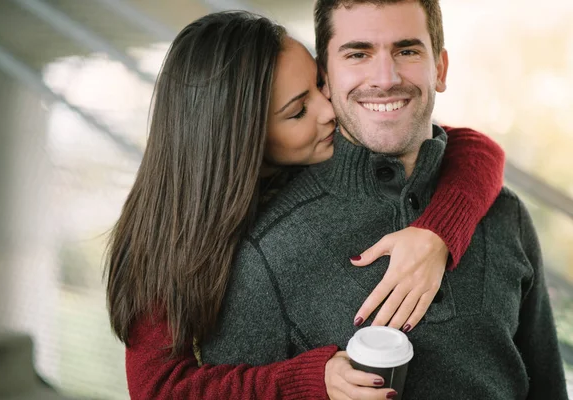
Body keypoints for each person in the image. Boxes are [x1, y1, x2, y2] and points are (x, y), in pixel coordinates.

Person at [105, 11, 506, 400]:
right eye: (298, 111)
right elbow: (157, 389)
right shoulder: (167, 242)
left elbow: (476, 148)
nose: (329, 110)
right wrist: (311, 380)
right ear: (245, 141)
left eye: (319, 84)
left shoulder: (305, 162)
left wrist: (436, 231)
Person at [198, 3, 568, 400]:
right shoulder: (261, 252)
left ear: (439, 69)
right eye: (358, 54)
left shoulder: (504, 212)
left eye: (407, 51)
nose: (385, 78)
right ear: (325, 75)